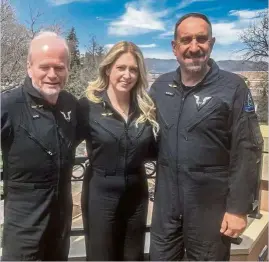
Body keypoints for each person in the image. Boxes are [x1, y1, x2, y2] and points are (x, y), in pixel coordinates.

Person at [149, 13, 263, 261]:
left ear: (211, 43)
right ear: (174, 47)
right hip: (166, 208)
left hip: (211, 208)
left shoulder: (233, 87)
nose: (194, 47)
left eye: (201, 39)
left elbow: (247, 149)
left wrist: (238, 208)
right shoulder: (160, 87)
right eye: (186, 39)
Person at [77, 41, 159, 261]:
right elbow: (64, 142)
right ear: (108, 69)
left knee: (133, 257)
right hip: (100, 193)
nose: (127, 75)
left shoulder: (146, 107)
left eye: (133, 69)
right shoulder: (88, 106)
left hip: (136, 194)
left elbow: (156, 147)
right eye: (121, 68)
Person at [1, 31, 78, 260]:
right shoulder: (9, 105)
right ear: (29, 67)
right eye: (44, 67)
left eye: (59, 67)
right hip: (23, 235)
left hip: (60, 233)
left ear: (68, 69)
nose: (52, 75)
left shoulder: (70, 105)